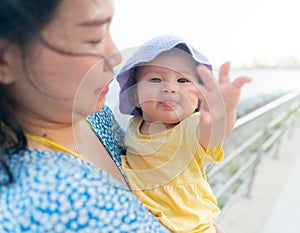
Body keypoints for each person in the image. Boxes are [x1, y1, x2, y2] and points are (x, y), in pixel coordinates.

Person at [0, 0, 170, 232]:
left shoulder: (93, 116)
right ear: (4, 59)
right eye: (94, 38)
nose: (115, 56)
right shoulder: (66, 201)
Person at [116, 35, 252, 232]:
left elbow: (214, 130)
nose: (169, 88)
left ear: (198, 99)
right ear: (135, 95)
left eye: (182, 79)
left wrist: (225, 111)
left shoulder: (191, 128)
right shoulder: (134, 125)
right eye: (155, 79)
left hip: (192, 227)